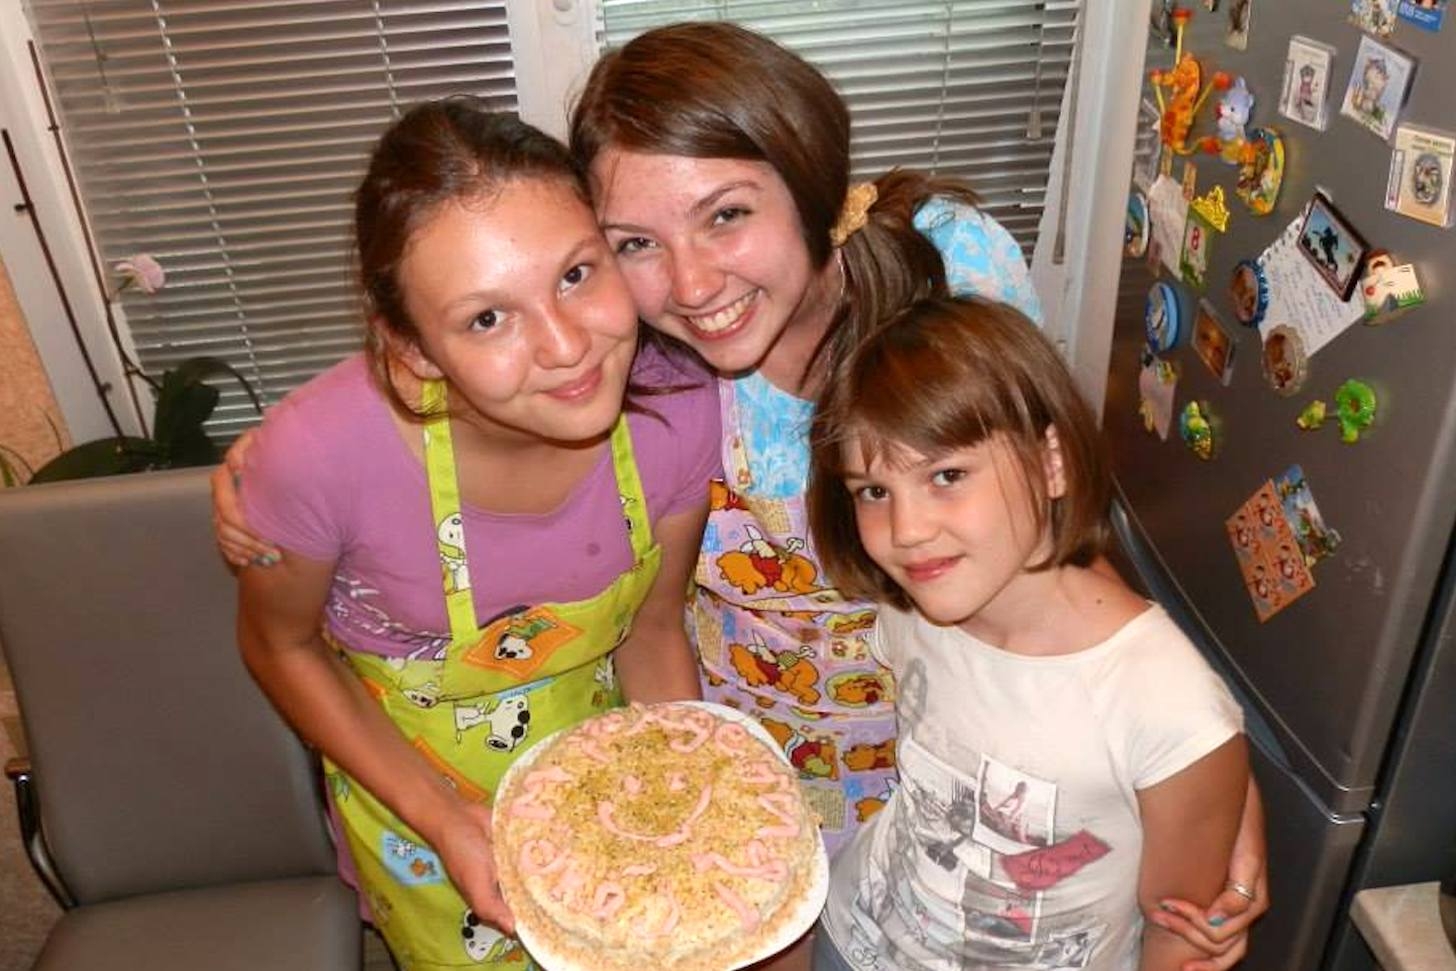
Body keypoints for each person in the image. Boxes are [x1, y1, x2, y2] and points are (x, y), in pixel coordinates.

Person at [214, 22, 1266, 967]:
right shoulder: (645, 376)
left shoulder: (956, 262)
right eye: (633, 244)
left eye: (725, 214)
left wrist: (1213, 786)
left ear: (811, 185)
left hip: (955, 758)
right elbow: (446, 374)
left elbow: (1042, 515)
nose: (691, 283)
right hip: (754, 771)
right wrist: (277, 469)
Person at [231, 97, 718, 970]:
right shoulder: (318, 456)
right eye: (488, 318)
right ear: (411, 348)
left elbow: (651, 626)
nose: (568, 346)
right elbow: (280, 645)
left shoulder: (677, 407)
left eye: (576, 274)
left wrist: (678, 801)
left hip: (598, 777)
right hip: (421, 810)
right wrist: (446, 819)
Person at [805, 296, 1251, 971]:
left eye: (947, 476)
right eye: (873, 490)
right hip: (857, 933)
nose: (906, 530)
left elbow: (1182, 931)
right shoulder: (909, 605)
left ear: (1051, 461)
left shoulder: (1163, 701)